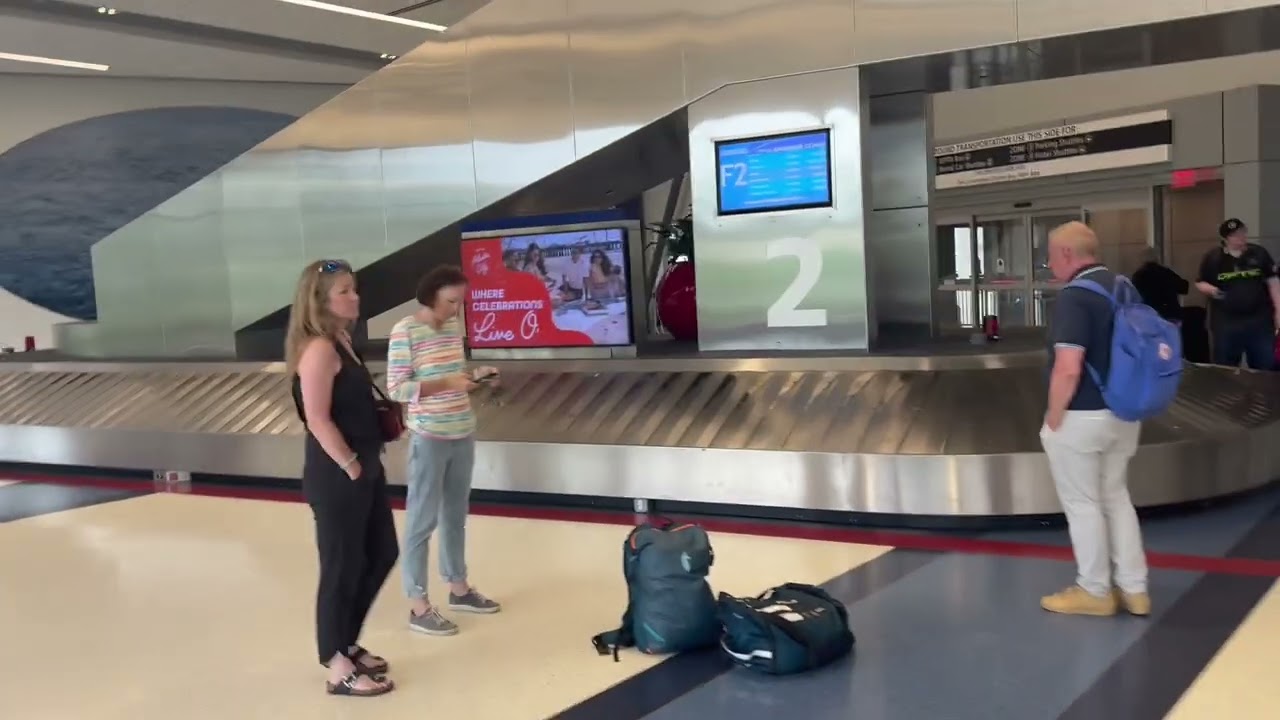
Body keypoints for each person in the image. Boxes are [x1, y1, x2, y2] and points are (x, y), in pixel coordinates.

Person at [286, 259, 399, 697]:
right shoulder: (318, 350)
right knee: (341, 566)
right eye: (345, 291)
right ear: (321, 301)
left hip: (364, 466)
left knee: (381, 552)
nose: (355, 297)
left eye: (354, 289)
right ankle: (335, 663)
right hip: (338, 475)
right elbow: (316, 418)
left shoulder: (342, 341)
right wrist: (351, 464)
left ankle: (346, 641)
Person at [1038, 222, 1149, 618]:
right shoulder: (1123, 287)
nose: (1049, 262)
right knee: (1116, 498)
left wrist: (1053, 418)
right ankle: (1134, 589)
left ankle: (1095, 590)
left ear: (1067, 254)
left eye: (1051, 254)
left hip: (1083, 415)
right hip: (1124, 412)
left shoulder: (1075, 297)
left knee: (1083, 503)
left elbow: (1068, 366)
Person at [387, 265, 502, 636]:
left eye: (461, 301)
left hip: (461, 431)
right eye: (451, 301)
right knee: (422, 519)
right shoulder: (405, 331)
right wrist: (445, 384)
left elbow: (453, 373)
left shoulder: (453, 328)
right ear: (432, 294)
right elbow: (398, 389)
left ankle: (459, 587)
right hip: (429, 436)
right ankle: (418, 604)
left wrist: (475, 376)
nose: (457, 308)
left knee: (456, 513)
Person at [1195, 218, 1280, 370]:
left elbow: (1273, 281)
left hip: (1259, 321)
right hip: (1226, 323)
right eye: (1235, 235)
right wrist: (1210, 289)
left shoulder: (1259, 253)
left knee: (1265, 365)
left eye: (1242, 232)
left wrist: (1279, 310)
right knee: (1225, 367)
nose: (1240, 237)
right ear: (1225, 239)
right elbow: (1200, 282)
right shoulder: (1214, 258)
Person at [1131, 247, 1189, 324]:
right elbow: (1184, 287)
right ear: (1157, 258)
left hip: (1149, 315)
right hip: (1170, 315)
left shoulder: (1138, 276)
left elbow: (1134, 297)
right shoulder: (1166, 272)